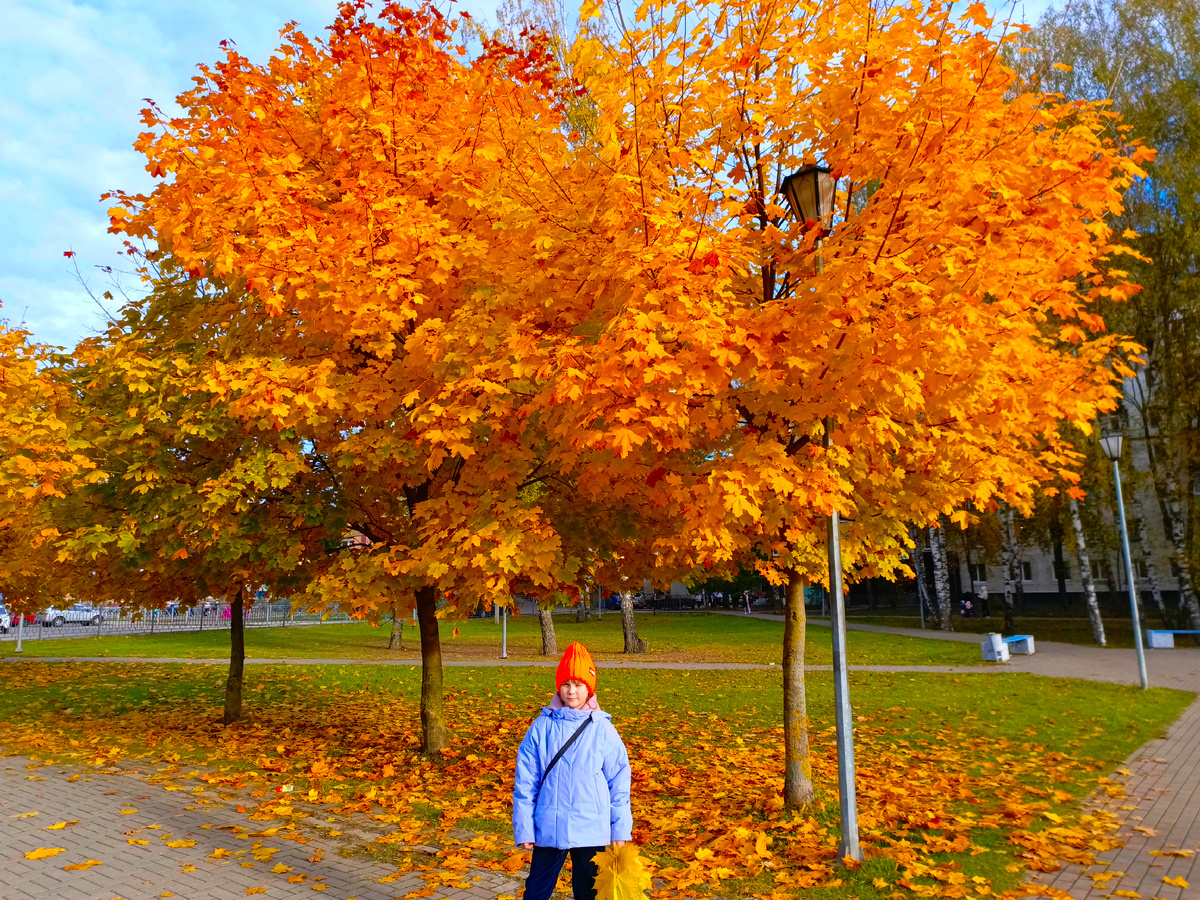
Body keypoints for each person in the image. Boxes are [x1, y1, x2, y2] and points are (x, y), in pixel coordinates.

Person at [513, 642, 632, 900]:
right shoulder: (541, 727)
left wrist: (620, 828)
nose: (571, 691)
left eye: (578, 684)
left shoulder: (603, 730)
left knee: (588, 893)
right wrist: (524, 827)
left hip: (592, 828)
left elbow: (619, 782)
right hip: (549, 826)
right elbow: (526, 782)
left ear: (589, 688)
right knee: (535, 892)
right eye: (566, 684)